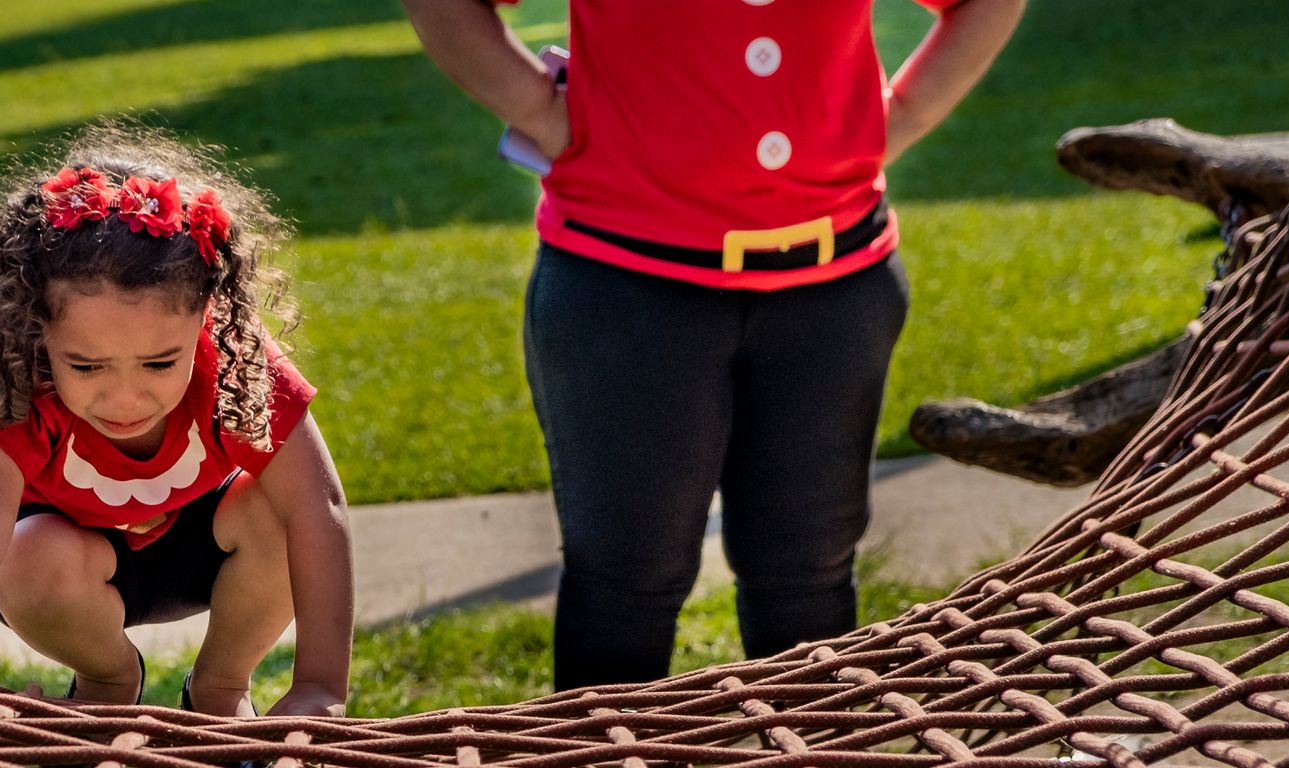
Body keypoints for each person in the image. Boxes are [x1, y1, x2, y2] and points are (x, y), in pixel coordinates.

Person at [403, 0, 1023, 687]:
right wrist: (538, 109)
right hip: (626, 291)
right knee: (625, 583)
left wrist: (902, 116)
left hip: (834, 289)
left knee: (809, 577)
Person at [0, 126, 353, 719]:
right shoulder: (16, 385)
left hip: (204, 556)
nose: (126, 396)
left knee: (281, 509)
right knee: (26, 554)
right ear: (35, 332)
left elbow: (321, 510)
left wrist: (320, 685)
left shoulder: (235, 362)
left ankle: (220, 689)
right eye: (87, 365)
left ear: (205, 318)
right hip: (61, 572)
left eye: (160, 362)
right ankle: (108, 681)